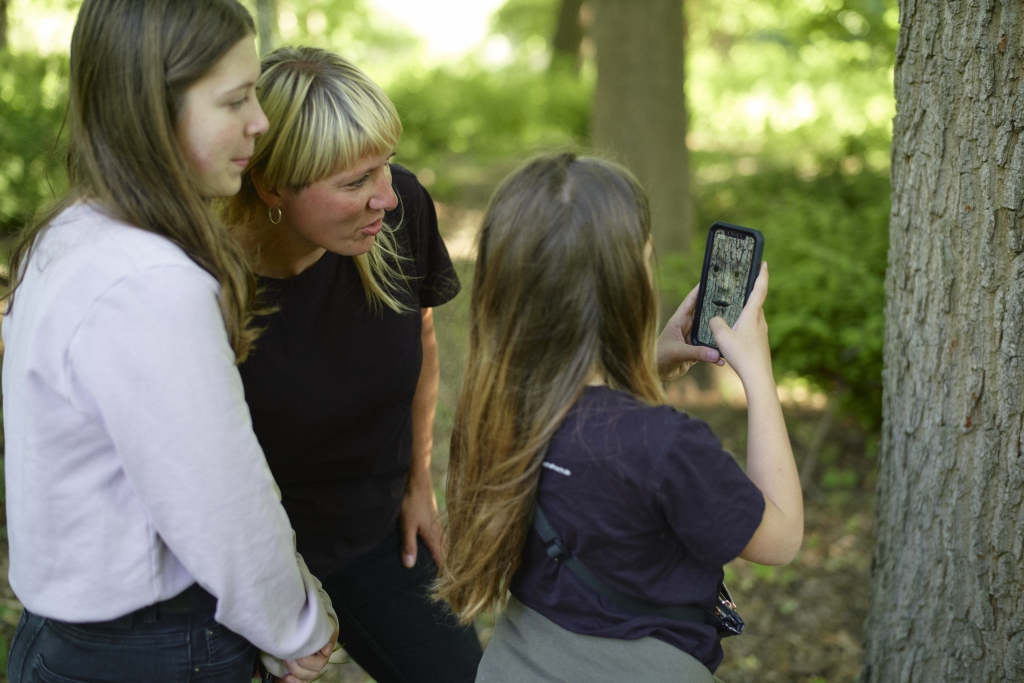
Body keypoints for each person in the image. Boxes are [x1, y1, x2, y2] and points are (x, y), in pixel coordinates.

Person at [1, 2, 339, 682]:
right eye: (235, 100)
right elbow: (221, 498)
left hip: (70, 634)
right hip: (150, 647)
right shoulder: (148, 282)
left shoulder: (73, 235)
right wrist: (294, 622)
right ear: (151, 111)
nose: (260, 121)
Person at [435, 153, 804, 682]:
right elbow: (781, 537)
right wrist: (758, 374)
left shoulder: (493, 410)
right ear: (632, 284)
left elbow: (587, 429)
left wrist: (646, 364)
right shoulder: (666, 446)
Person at [224, 47, 482, 683]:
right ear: (270, 186)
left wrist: (418, 484)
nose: (385, 198)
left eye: (384, 167)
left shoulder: (398, 212)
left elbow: (421, 337)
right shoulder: (202, 281)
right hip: (241, 557)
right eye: (354, 183)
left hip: (374, 530)